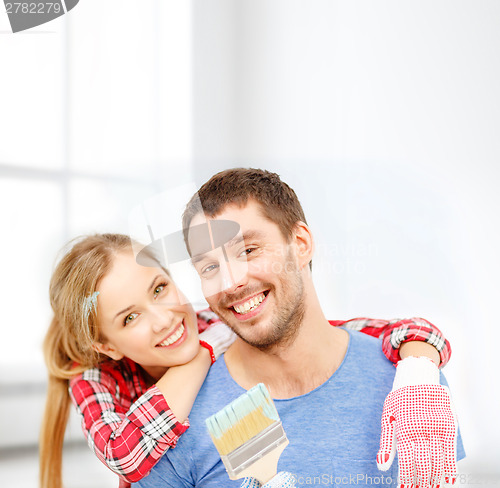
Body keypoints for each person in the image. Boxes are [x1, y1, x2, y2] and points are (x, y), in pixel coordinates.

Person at [40, 231, 451, 488]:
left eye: (160, 288)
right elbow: (124, 454)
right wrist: (199, 356)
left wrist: (418, 367)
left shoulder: (212, 321)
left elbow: (353, 331)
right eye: (130, 317)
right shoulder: (96, 377)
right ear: (108, 346)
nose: (164, 319)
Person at [136, 168, 464, 488]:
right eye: (209, 267)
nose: (231, 281)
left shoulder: (411, 387)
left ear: (301, 243)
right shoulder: (179, 419)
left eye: (248, 250)